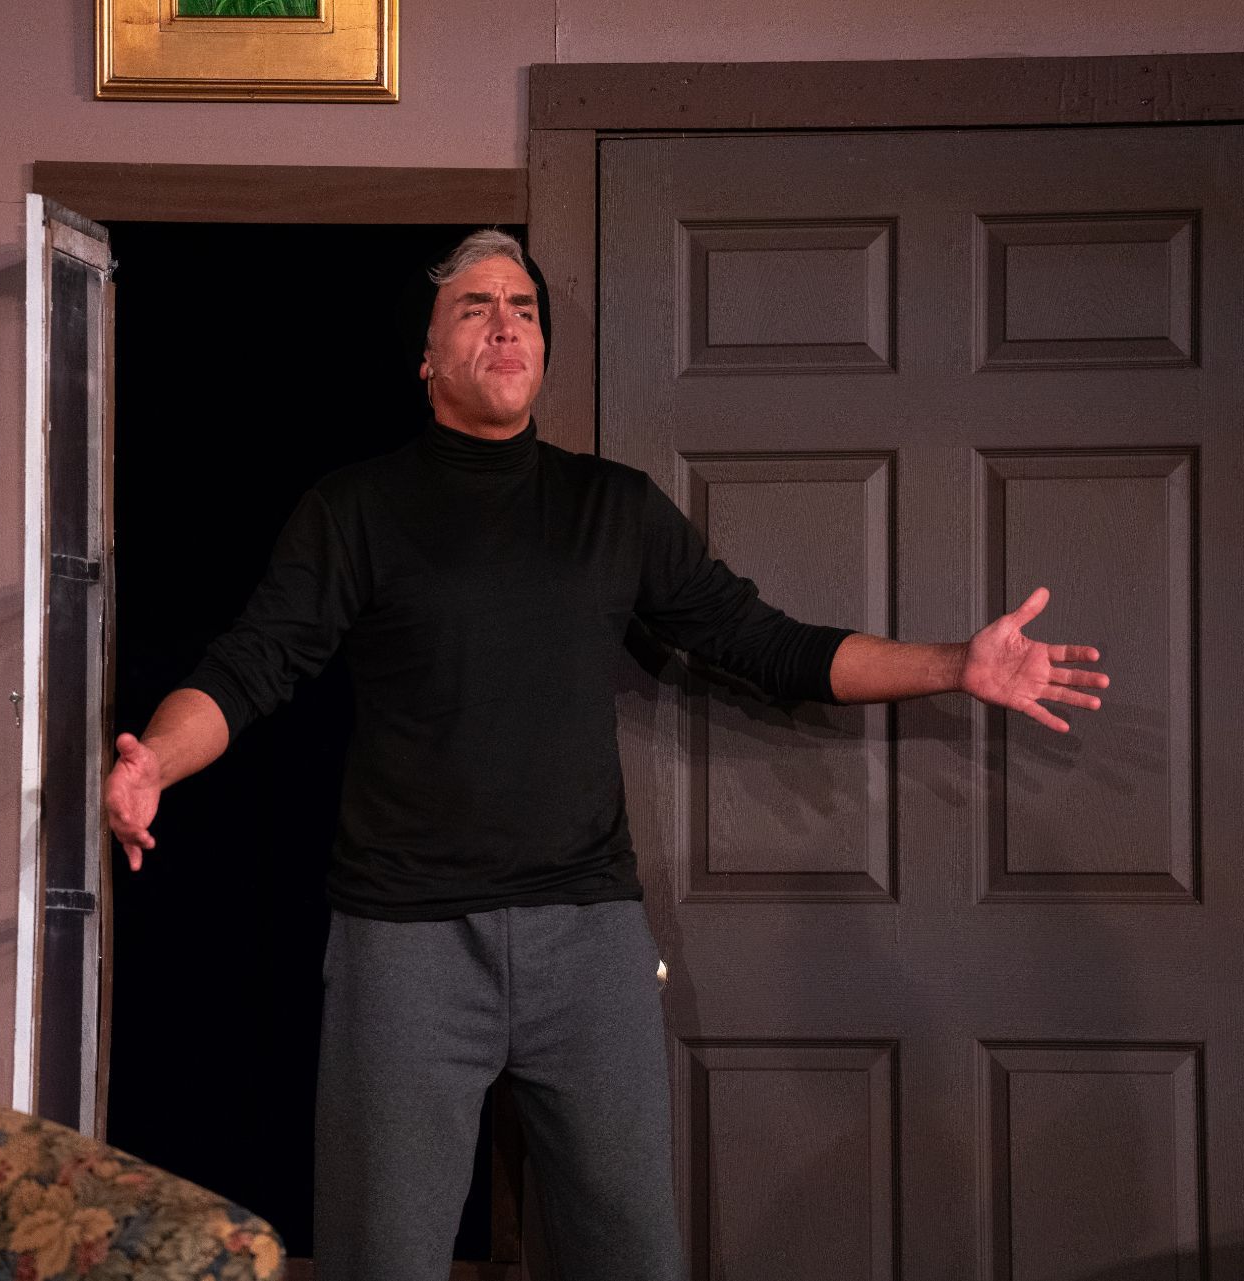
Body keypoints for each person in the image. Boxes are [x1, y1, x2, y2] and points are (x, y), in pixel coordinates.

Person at [104, 229, 1109, 1281]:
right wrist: (156, 762)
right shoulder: (355, 510)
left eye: (525, 308)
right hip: (404, 943)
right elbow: (253, 665)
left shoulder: (612, 507)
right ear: (426, 356)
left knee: (632, 1253)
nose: (507, 324)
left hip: (587, 940)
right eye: (476, 307)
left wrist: (957, 664)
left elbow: (766, 645)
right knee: (384, 1258)